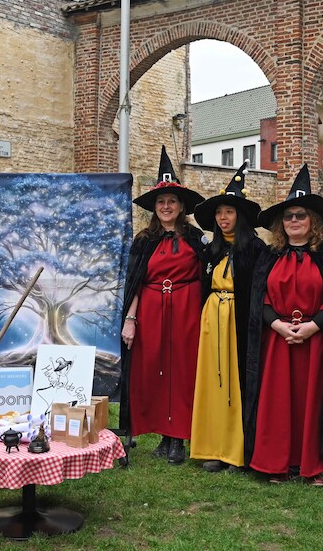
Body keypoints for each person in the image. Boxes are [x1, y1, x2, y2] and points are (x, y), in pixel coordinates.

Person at [242, 165, 323, 486]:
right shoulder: (270, 256)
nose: (294, 221)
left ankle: (312, 464)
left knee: (311, 402)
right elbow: (258, 299)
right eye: (288, 216)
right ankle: (276, 463)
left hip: (315, 342)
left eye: (300, 215)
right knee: (278, 402)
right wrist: (277, 324)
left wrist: (312, 326)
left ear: (312, 221)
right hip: (277, 341)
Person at [119, 147, 205, 465]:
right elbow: (135, 282)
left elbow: (208, 277)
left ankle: (178, 438)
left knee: (182, 371)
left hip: (186, 311)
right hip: (152, 311)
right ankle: (161, 434)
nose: (166, 206)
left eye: (172, 201)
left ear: (181, 206)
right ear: (155, 208)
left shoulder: (196, 238)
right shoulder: (144, 240)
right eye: (161, 202)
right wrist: (130, 319)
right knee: (153, 371)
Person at [190, 162, 265, 472]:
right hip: (213, 318)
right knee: (214, 383)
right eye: (219, 213)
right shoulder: (212, 250)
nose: (223, 218)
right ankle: (214, 447)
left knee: (237, 382)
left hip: (240, 319)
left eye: (229, 212)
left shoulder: (256, 249)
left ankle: (238, 451)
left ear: (240, 215)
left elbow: (259, 291)